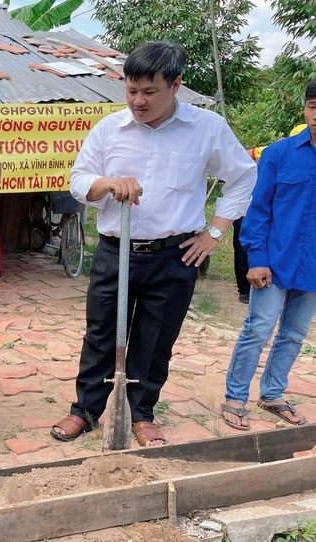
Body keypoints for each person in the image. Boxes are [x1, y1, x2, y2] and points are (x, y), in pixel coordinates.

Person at [50, 41, 257, 447]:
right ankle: (86, 410)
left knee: (156, 338)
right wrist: (107, 183)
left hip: (174, 255)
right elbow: (78, 181)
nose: (138, 101)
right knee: (101, 334)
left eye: (149, 92)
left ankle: (142, 412)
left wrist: (215, 232)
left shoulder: (207, 129)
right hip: (116, 251)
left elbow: (243, 176)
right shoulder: (110, 128)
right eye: (131, 90)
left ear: (175, 85)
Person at [221, 82, 316, 431]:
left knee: (294, 333)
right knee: (258, 328)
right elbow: (257, 210)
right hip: (274, 262)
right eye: (312, 106)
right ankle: (235, 396)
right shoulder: (278, 154)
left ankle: (273, 394)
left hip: (314, 268)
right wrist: (256, 258)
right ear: (304, 109)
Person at [234, 124, 308, 305]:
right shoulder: (276, 152)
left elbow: (244, 154)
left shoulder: (268, 150)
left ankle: (244, 289)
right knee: (247, 240)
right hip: (255, 202)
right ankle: (245, 289)